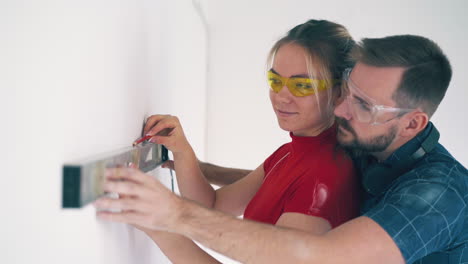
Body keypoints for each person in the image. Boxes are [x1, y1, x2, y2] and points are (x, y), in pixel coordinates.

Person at [95, 35, 467, 263]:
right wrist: (195, 163)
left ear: (413, 123)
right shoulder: (365, 142)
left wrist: (172, 217)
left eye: (363, 104)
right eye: (347, 91)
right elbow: (283, 185)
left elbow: (325, 257)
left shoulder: (439, 195)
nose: (340, 109)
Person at [134, 19, 359, 262]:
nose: (281, 96)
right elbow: (212, 205)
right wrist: (182, 150)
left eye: (302, 85)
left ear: (340, 91)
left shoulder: (324, 179)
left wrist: (162, 228)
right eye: (275, 81)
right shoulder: (288, 154)